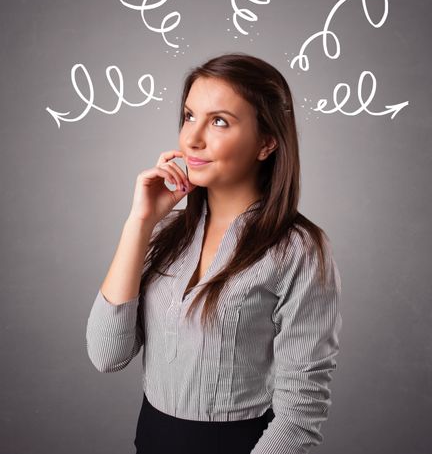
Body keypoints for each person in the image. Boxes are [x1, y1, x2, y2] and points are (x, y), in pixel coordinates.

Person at [86, 52, 343, 454]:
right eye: (189, 116)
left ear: (267, 143)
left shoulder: (298, 249)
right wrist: (140, 223)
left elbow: (300, 414)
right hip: (151, 438)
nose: (192, 138)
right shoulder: (167, 233)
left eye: (219, 121)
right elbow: (107, 355)